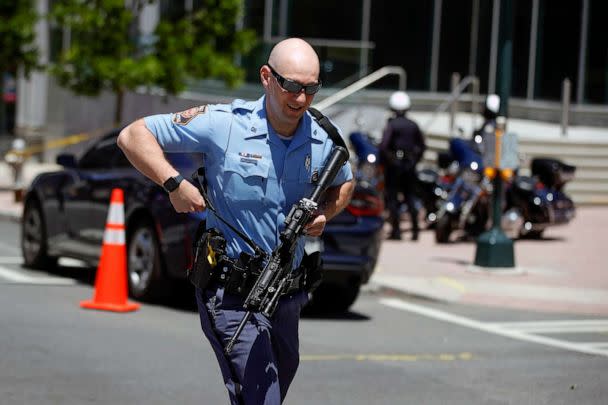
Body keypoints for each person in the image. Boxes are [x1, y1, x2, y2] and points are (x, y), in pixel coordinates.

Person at [117, 38, 354, 405]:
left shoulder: (320, 136)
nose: (301, 99)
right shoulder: (224, 124)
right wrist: (174, 184)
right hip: (231, 294)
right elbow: (133, 135)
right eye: (292, 86)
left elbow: (346, 180)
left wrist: (325, 212)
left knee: (270, 391)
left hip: (285, 295)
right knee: (262, 399)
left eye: (311, 89)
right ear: (266, 77)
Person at [379, 91, 426, 241]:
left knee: (392, 198)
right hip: (410, 165)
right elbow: (422, 146)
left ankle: (396, 231)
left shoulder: (391, 124)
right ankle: (415, 231)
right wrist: (414, 160)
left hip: (394, 167)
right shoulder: (413, 125)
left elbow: (384, 146)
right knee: (410, 197)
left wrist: (390, 162)